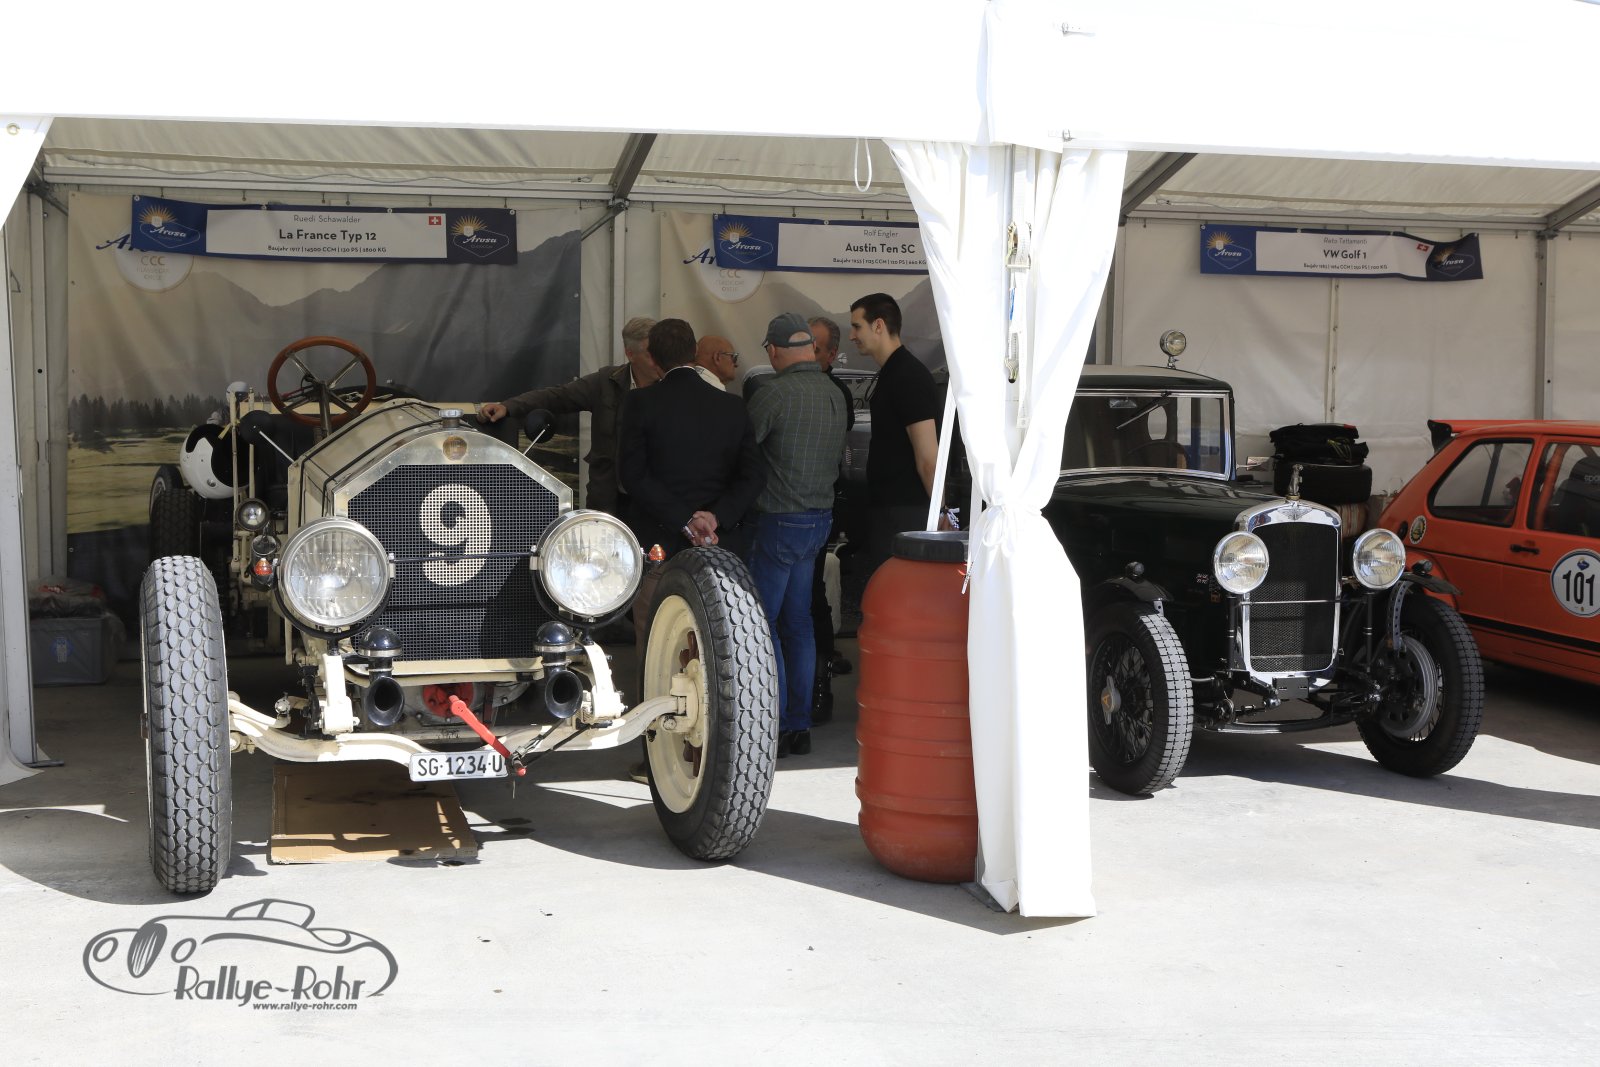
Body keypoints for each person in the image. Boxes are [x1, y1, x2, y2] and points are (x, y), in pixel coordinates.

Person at [619, 318, 765, 666]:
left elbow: (633, 476)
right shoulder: (732, 406)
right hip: (720, 547)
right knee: (716, 646)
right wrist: (715, 517)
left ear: (653, 358)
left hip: (659, 545)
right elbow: (754, 476)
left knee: (656, 647)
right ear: (694, 353)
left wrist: (684, 520)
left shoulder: (639, 402)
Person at [745, 313, 848, 757]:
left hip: (779, 520)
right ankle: (800, 724)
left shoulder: (773, 393)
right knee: (800, 623)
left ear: (774, 350)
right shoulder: (834, 392)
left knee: (762, 624)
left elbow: (743, 450)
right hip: (819, 520)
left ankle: (777, 722)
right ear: (810, 348)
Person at [477, 316, 658, 516]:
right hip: (608, 502)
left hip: (654, 502)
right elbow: (557, 396)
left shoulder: (671, 386)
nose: (658, 360)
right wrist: (508, 406)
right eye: (650, 354)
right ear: (630, 354)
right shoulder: (605, 383)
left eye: (661, 351)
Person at [848, 292, 942, 575]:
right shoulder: (893, 372)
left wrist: (941, 512)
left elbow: (928, 458)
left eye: (856, 326)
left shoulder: (908, 376)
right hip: (892, 511)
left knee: (903, 591)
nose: (852, 336)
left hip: (906, 515)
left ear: (878, 325)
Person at [807, 315, 857, 723]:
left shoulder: (835, 393)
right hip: (792, 508)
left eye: (815, 348)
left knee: (812, 595)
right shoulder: (779, 387)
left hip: (818, 506)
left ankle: (819, 682)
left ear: (830, 354)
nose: (807, 354)